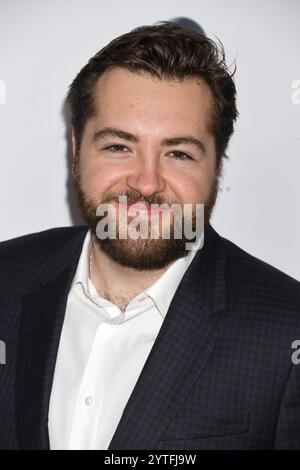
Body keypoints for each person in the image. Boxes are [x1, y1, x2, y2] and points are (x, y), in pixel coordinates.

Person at [0, 21, 300, 451]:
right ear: (75, 149)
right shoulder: (4, 280)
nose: (145, 183)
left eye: (178, 153)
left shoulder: (288, 331)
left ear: (216, 164)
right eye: (119, 146)